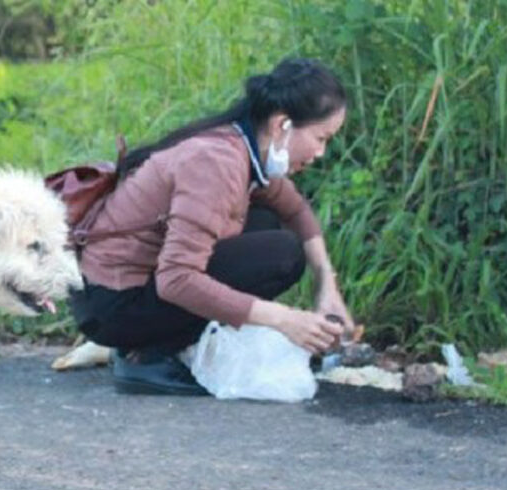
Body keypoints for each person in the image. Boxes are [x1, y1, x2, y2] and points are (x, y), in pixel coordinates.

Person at [69, 57, 354, 395]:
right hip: (112, 306)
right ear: (282, 126)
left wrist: (327, 285)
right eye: (321, 138)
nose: (321, 152)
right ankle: (146, 354)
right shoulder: (217, 163)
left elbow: (296, 211)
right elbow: (176, 280)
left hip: (123, 291)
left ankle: (161, 342)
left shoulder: (247, 148)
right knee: (282, 254)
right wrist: (284, 319)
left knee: (270, 222)